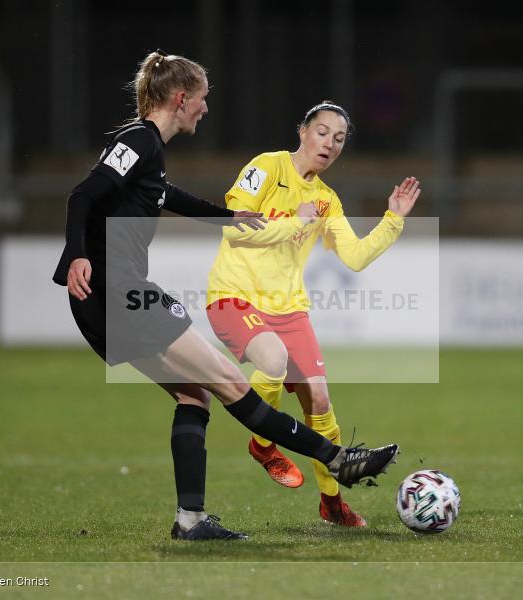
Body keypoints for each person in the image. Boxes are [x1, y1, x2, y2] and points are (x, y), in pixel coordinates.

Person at [52, 53, 400, 541]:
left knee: (194, 396)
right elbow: (82, 195)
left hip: (102, 301)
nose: (205, 108)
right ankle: (338, 459)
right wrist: (77, 255)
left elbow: (168, 196)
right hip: (117, 289)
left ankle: (190, 519)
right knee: (227, 379)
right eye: (202, 99)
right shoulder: (139, 139)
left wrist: (226, 218)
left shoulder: (147, 152)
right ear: (180, 99)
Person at [205, 101, 420, 527]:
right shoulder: (266, 167)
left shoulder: (326, 201)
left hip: (289, 309)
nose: (330, 144)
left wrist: (392, 219)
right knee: (273, 360)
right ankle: (263, 444)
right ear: (302, 131)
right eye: (322, 132)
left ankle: (332, 503)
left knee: (319, 399)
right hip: (234, 296)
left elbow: (355, 257)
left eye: (339, 139)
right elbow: (233, 227)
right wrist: (293, 222)